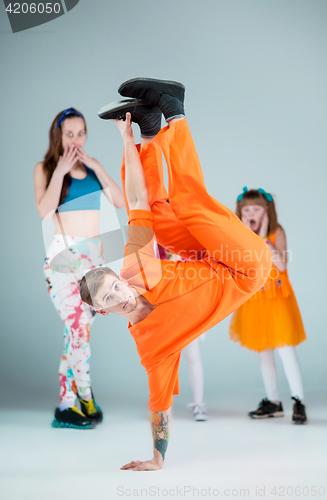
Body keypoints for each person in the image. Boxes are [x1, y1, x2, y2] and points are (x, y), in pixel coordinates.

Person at [79, 78, 272, 469]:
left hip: (209, 256)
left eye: (115, 285)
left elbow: (135, 202)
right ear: (102, 311)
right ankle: (174, 111)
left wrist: (129, 138)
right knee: (188, 204)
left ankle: (153, 125)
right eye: (110, 298)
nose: (122, 294)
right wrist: (157, 457)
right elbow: (160, 407)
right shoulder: (153, 349)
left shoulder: (134, 268)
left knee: (163, 212)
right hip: (246, 270)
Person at [34, 107, 124, 429]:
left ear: (87, 134)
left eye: (80, 133)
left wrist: (96, 165)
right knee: (77, 331)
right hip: (61, 261)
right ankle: (81, 397)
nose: (75, 139)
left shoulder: (93, 171)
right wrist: (60, 171)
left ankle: (67, 402)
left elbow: (120, 201)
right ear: (59, 135)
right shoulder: (45, 169)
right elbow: (45, 212)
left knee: (76, 334)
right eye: (69, 134)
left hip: (93, 264)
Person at [229, 187, 307, 424]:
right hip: (255, 301)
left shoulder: (276, 232)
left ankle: (298, 401)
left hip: (277, 300)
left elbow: (281, 265)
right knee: (264, 352)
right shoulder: (240, 235)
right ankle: (273, 401)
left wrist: (263, 238)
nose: (251, 213)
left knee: (286, 350)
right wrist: (249, 234)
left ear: (267, 212)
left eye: (256, 209)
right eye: (246, 209)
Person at [159, 245, 207, 421]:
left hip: (189, 309)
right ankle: (163, 407)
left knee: (192, 356)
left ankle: (199, 404)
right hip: (165, 308)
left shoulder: (192, 245)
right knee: (164, 360)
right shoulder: (157, 246)